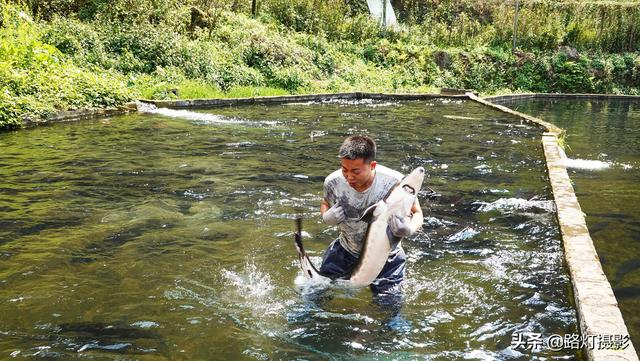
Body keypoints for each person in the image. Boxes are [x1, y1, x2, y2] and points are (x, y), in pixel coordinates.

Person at [319, 135, 423, 298]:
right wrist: (326, 216)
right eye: (344, 169)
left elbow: (417, 212)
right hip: (346, 249)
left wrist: (409, 228)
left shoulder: (395, 182)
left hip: (388, 257)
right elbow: (325, 202)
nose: (349, 177)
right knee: (315, 293)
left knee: (389, 308)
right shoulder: (333, 181)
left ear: (372, 165)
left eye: (355, 171)